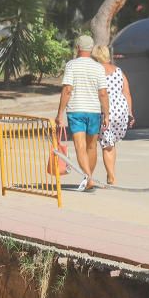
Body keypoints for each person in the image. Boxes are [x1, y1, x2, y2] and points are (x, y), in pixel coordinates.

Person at [56, 34, 109, 191]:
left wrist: (60, 114)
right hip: (93, 111)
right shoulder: (99, 67)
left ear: (78, 48)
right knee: (91, 147)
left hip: (76, 111)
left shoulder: (71, 65)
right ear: (91, 49)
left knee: (80, 146)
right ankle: (89, 178)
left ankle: (88, 178)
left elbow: (67, 90)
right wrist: (107, 114)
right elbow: (103, 93)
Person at [90, 44, 134, 186]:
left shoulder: (96, 71)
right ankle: (111, 175)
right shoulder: (118, 71)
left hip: (107, 110)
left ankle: (111, 177)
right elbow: (126, 92)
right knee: (110, 143)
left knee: (106, 145)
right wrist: (130, 113)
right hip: (121, 110)